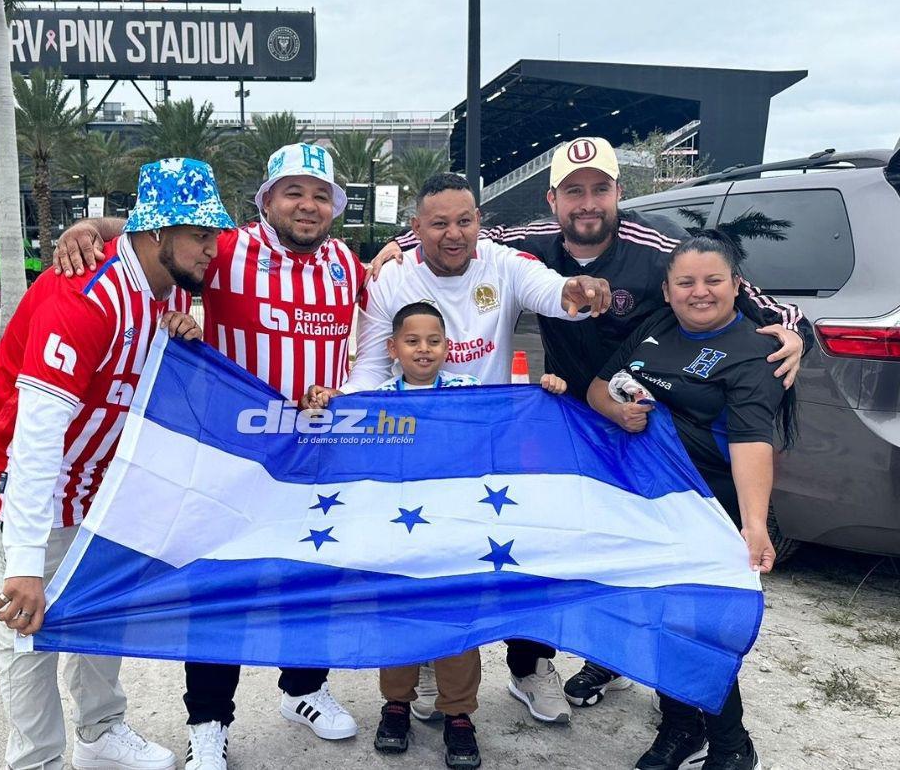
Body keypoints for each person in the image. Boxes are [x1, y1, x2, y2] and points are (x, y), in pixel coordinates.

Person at [375, 137, 807, 710]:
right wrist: (393, 245)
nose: (587, 203)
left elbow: (724, 283)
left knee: (637, 549)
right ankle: (532, 665)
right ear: (552, 199)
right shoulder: (528, 244)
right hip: (569, 424)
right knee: (540, 546)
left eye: (599, 189)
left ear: (617, 193)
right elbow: (455, 229)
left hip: (648, 430)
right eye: (573, 192)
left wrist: (791, 324)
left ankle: (627, 666)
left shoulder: (656, 250)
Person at [53, 142, 364, 770]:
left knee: (308, 576)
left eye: (321, 194)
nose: (308, 205)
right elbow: (150, 231)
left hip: (314, 455)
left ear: (335, 206)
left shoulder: (348, 265)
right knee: (219, 585)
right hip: (229, 453)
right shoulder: (227, 249)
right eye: (293, 192)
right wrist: (89, 226)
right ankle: (208, 722)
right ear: (267, 200)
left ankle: (303, 690)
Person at [307, 171, 611, 731]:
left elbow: (550, 289)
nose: (454, 234)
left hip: (486, 453)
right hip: (415, 458)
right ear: (416, 226)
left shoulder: (503, 264)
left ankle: (529, 669)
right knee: (422, 557)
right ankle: (425, 657)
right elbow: (372, 366)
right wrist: (338, 410)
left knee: (516, 555)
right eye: (440, 223)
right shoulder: (391, 279)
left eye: (465, 220)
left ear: (480, 222)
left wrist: (573, 294)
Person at [0, 157, 235, 770]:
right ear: (157, 233)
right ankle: (37, 759)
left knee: (100, 602)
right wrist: (26, 564)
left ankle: (101, 733)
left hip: (97, 480)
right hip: (19, 474)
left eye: (214, 233)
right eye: (200, 235)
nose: (212, 248)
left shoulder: (160, 288)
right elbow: (36, 441)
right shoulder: (83, 294)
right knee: (32, 625)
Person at [588, 230, 795, 770]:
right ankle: (680, 727)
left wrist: (753, 524)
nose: (698, 292)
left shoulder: (757, 350)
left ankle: (731, 745)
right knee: (658, 613)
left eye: (712, 280)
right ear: (668, 288)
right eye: (685, 282)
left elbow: (753, 441)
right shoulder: (657, 326)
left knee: (696, 623)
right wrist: (618, 409)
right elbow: (598, 385)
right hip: (646, 500)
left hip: (710, 508)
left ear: (736, 285)